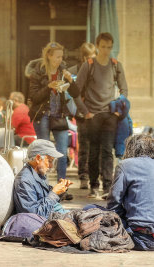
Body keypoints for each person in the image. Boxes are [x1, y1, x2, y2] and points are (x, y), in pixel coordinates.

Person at [107, 134, 154, 251]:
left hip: (144, 238)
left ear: (130, 148)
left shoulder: (125, 165)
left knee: (90, 209)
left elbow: (114, 203)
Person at [75, 32, 128, 198]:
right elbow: (75, 91)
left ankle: (107, 186)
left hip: (110, 114)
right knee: (94, 151)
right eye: (103, 47)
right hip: (93, 115)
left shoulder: (115, 65)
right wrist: (85, 112)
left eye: (109, 47)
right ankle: (93, 185)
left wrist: (120, 107)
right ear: (97, 46)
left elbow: (124, 89)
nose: (106, 50)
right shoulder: (89, 65)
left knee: (107, 151)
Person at [28, 42, 79, 200]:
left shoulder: (63, 72)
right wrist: (49, 87)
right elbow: (34, 97)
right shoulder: (38, 73)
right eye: (57, 56)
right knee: (43, 153)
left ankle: (62, 189)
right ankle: (42, 187)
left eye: (61, 57)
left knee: (62, 153)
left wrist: (71, 81)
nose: (60, 59)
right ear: (49, 56)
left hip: (59, 115)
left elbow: (76, 93)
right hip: (42, 114)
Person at [13, 139, 73, 218]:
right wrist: (54, 193)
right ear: (38, 158)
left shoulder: (39, 174)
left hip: (56, 214)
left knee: (90, 210)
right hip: (45, 222)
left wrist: (60, 191)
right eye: (50, 161)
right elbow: (35, 216)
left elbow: (46, 201)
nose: (51, 166)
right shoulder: (24, 181)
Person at [67, 42, 96, 189]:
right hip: (81, 112)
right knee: (84, 145)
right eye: (89, 57)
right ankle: (84, 177)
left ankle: (95, 177)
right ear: (83, 57)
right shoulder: (74, 71)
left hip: (97, 112)